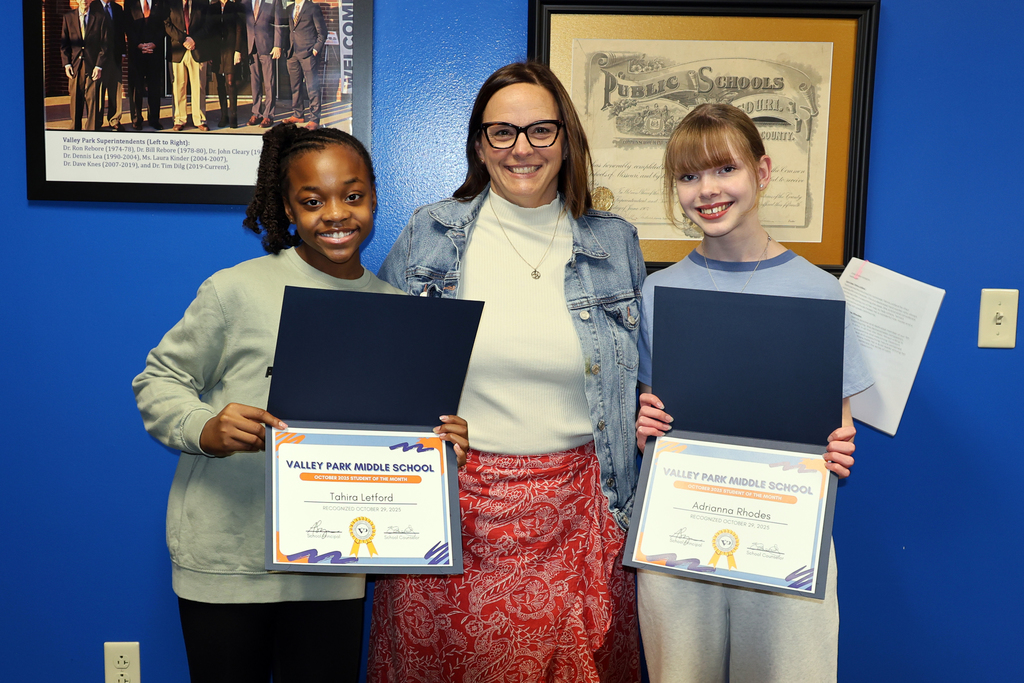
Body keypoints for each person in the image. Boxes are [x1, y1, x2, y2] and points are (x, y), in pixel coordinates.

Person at [132, 124, 470, 683]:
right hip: (227, 559)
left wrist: (438, 445)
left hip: (332, 567)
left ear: (375, 197)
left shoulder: (398, 312)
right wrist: (204, 426)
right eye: (312, 201)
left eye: (352, 196)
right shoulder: (234, 290)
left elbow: (398, 440)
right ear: (287, 208)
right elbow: (158, 380)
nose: (335, 214)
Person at [369, 61, 644, 683]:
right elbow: (381, 371)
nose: (522, 148)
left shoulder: (615, 244)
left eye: (541, 130)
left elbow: (639, 375)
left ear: (566, 139)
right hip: (453, 515)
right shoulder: (429, 235)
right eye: (502, 132)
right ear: (479, 144)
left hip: (582, 514)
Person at [633, 103, 873, 683]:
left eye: (724, 170)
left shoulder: (822, 293)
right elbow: (649, 420)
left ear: (762, 172)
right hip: (681, 538)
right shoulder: (657, 290)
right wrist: (645, 431)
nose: (706, 191)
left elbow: (837, 427)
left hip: (786, 535)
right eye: (688, 177)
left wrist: (839, 447)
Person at [60, 0, 108, 131]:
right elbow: (64, 45)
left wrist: (99, 66)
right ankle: (75, 129)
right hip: (75, 66)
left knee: (93, 100)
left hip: (93, 66)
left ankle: (91, 130)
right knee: (75, 99)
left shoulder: (100, 18)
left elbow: (104, 45)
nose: (84, 1)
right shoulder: (68, 17)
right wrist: (67, 64)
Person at [165, 0, 211, 131]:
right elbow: (166, 24)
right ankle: (179, 119)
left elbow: (208, 25)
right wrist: (183, 39)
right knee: (178, 86)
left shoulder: (202, 3)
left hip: (197, 49)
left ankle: (200, 119)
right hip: (177, 50)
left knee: (199, 86)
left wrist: (194, 39)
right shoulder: (170, 4)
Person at [283, 0, 326, 130]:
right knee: (295, 85)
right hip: (292, 52)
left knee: (312, 85)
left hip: (308, 53)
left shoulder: (313, 8)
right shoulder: (289, 9)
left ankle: (314, 118)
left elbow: (322, 32)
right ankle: (298, 114)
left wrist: (316, 49)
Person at [125, 0, 167, 130]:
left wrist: (154, 43)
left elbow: (164, 26)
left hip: (155, 52)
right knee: (136, 88)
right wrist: (139, 44)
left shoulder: (160, 3)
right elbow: (128, 26)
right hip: (136, 53)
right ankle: (136, 119)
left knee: (154, 87)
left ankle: (154, 119)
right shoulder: (130, 3)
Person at [241, 0, 282, 128]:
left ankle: (268, 115)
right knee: (255, 81)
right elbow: (242, 26)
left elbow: (278, 23)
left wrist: (277, 45)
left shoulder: (273, 1)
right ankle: (256, 112)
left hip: (267, 46)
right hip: (250, 46)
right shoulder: (244, 2)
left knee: (269, 81)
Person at [208, 0, 244, 128]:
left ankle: (233, 115)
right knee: (220, 84)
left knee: (230, 82)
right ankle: (224, 116)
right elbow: (209, 31)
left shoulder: (235, 7)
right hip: (217, 50)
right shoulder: (212, 8)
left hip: (231, 49)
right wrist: (210, 53)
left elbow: (240, 29)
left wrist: (238, 50)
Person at [93, 0, 127, 131]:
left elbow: (121, 32)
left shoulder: (117, 8)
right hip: (99, 57)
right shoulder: (93, 6)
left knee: (116, 89)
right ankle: (97, 121)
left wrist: (123, 52)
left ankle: (114, 120)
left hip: (115, 56)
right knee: (99, 90)